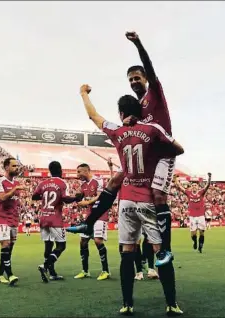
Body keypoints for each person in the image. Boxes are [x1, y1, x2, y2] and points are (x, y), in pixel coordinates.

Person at [67, 31, 176, 266]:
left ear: (145, 78)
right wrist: (130, 121)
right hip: (144, 155)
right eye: (131, 79)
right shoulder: (138, 108)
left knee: (157, 195)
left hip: (163, 154)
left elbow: (150, 67)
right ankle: (89, 222)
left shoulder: (154, 94)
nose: (134, 82)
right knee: (116, 180)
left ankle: (165, 249)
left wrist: (138, 44)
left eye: (137, 78)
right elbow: (104, 119)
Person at [78, 84, 184, 316]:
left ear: (121, 113)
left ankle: (127, 303)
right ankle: (171, 303)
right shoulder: (151, 129)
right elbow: (178, 149)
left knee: (127, 252)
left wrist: (84, 93)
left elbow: (93, 115)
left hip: (125, 202)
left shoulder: (117, 130)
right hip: (148, 201)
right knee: (160, 250)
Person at [32, 161, 83, 282]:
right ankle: (45, 265)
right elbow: (65, 198)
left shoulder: (43, 183)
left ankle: (52, 273)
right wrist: (76, 198)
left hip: (43, 217)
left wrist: (44, 195)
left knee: (48, 245)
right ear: (60, 170)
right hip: (55, 218)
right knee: (61, 245)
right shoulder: (61, 183)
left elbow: (34, 196)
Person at [73, 163, 110, 281]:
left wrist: (86, 203)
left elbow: (100, 197)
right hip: (90, 216)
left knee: (98, 241)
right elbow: (80, 198)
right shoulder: (83, 185)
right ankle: (85, 271)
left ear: (86, 171)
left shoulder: (98, 180)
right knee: (83, 241)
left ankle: (105, 271)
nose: (77, 175)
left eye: (79, 172)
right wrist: (78, 199)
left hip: (100, 214)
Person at [0, 157, 26, 285]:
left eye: (17, 166)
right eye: (14, 166)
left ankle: (0, 274)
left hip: (13, 219)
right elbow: (1, 198)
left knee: (9, 249)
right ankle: (10, 275)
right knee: (5, 244)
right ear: (6, 167)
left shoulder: (16, 183)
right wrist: (14, 190)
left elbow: (15, 202)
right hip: (2, 218)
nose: (16, 168)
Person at [174, 173, 212, 253]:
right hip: (192, 217)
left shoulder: (201, 192)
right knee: (193, 234)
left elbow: (207, 186)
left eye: (195, 185)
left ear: (197, 186)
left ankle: (200, 246)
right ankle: (194, 241)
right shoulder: (188, 193)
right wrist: (176, 179)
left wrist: (209, 178)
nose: (194, 186)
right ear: (191, 187)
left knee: (202, 232)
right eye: (193, 185)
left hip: (201, 216)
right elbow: (180, 187)